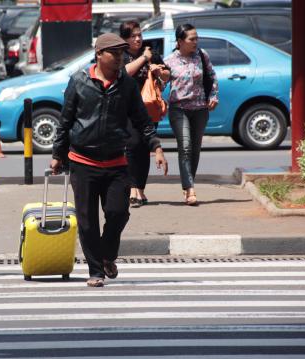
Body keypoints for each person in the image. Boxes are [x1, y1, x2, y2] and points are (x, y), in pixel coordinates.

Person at [51, 33, 168, 288]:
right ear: (99, 55)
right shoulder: (79, 81)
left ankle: (107, 254)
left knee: (118, 213)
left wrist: (156, 147)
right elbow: (65, 120)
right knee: (87, 220)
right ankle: (96, 270)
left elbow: (141, 120)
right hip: (82, 160)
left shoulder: (126, 85)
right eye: (114, 53)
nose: (119, 58)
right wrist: (58, 154)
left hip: (116, 161)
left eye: (121, 54)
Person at [164, 24, 219, 205]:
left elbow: (212, 76)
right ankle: (190, 189)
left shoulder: (202, 56)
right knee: (185, 147)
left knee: (195, 149)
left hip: (200, 109)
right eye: (191, 39)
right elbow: (160, 84)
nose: (196, 42)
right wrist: (160, 78)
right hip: (179, 109)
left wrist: (213, 96)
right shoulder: (169, 60)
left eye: (197, 38)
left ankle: (188, 186)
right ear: (180, 41)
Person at [120, 21, 170, 208]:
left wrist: (159, 71)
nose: (138, 39)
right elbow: (123, 73)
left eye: (139, 35)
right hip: (127, 108)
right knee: (132, 145)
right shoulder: (122, 54)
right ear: (125, 38)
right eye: (133, 36)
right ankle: (132, 188)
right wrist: (143, 59)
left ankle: (140, 189)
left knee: (145, 148)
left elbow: (167, 75)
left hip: (148, 107)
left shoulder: (151, 53)